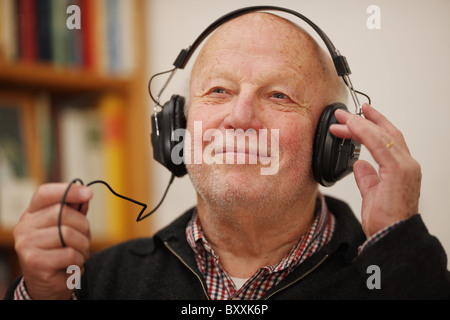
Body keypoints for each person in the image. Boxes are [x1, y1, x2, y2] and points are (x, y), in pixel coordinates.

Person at [5, 11, 450, 300]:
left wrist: (400, 251)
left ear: (331, 140)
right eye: (218, 91)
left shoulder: (389, 279)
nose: (240, 117)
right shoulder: (97, 283)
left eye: (279, 95)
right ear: (176, 128)